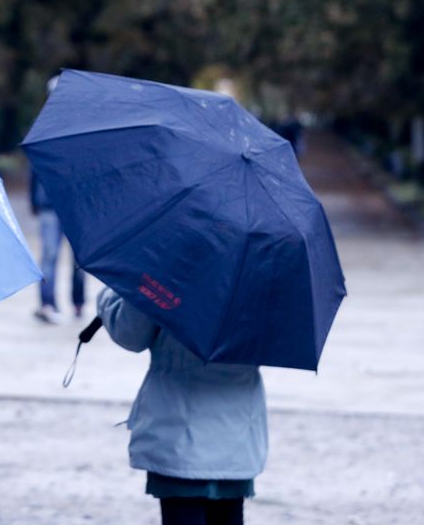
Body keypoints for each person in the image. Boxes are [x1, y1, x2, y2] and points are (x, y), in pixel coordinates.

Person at [96, 288, 267, 525]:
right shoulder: (264, 274)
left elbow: (130, 333)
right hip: (237, 433)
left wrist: (110, 293)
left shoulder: (169, 266)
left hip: (178, 430)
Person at [30, 163, 86, 323]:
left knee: (79, 259)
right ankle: (47, 303)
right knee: (49, 256)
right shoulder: (44, 138)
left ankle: (78, 302)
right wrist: (34, 199)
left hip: (76, 206)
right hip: (50, 203)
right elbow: (35, 168)